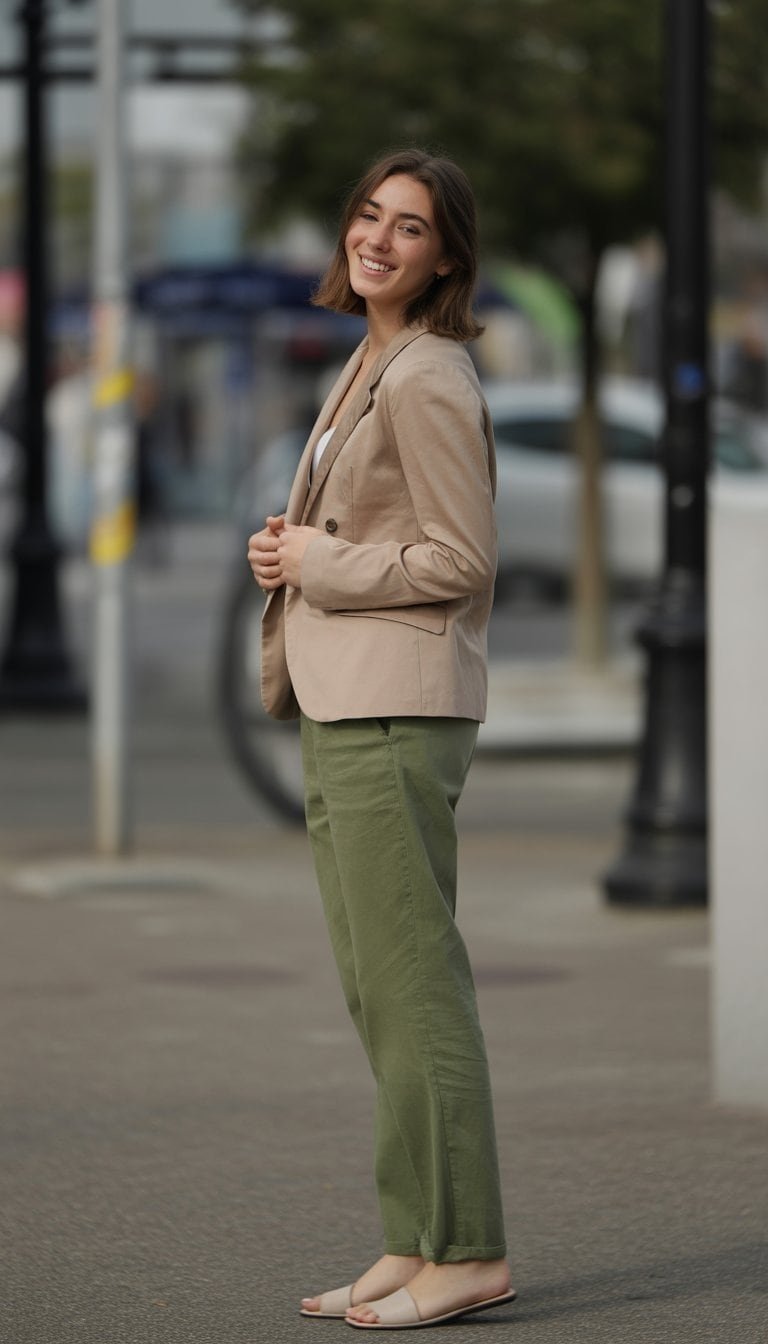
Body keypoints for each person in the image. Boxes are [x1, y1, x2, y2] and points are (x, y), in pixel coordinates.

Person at [248, 148, 515, 1331]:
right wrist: (291, 554)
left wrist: (322, 563)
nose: (378, 239)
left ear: (445, 255)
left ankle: (467, 1250)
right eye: (368, 216)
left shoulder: (427, 375)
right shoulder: (377, 357)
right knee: (378, 990)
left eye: (409, 228)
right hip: (347, 697)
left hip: (395, 707)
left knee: (414, 986)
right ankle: (414, 1240)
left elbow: (461, 561)